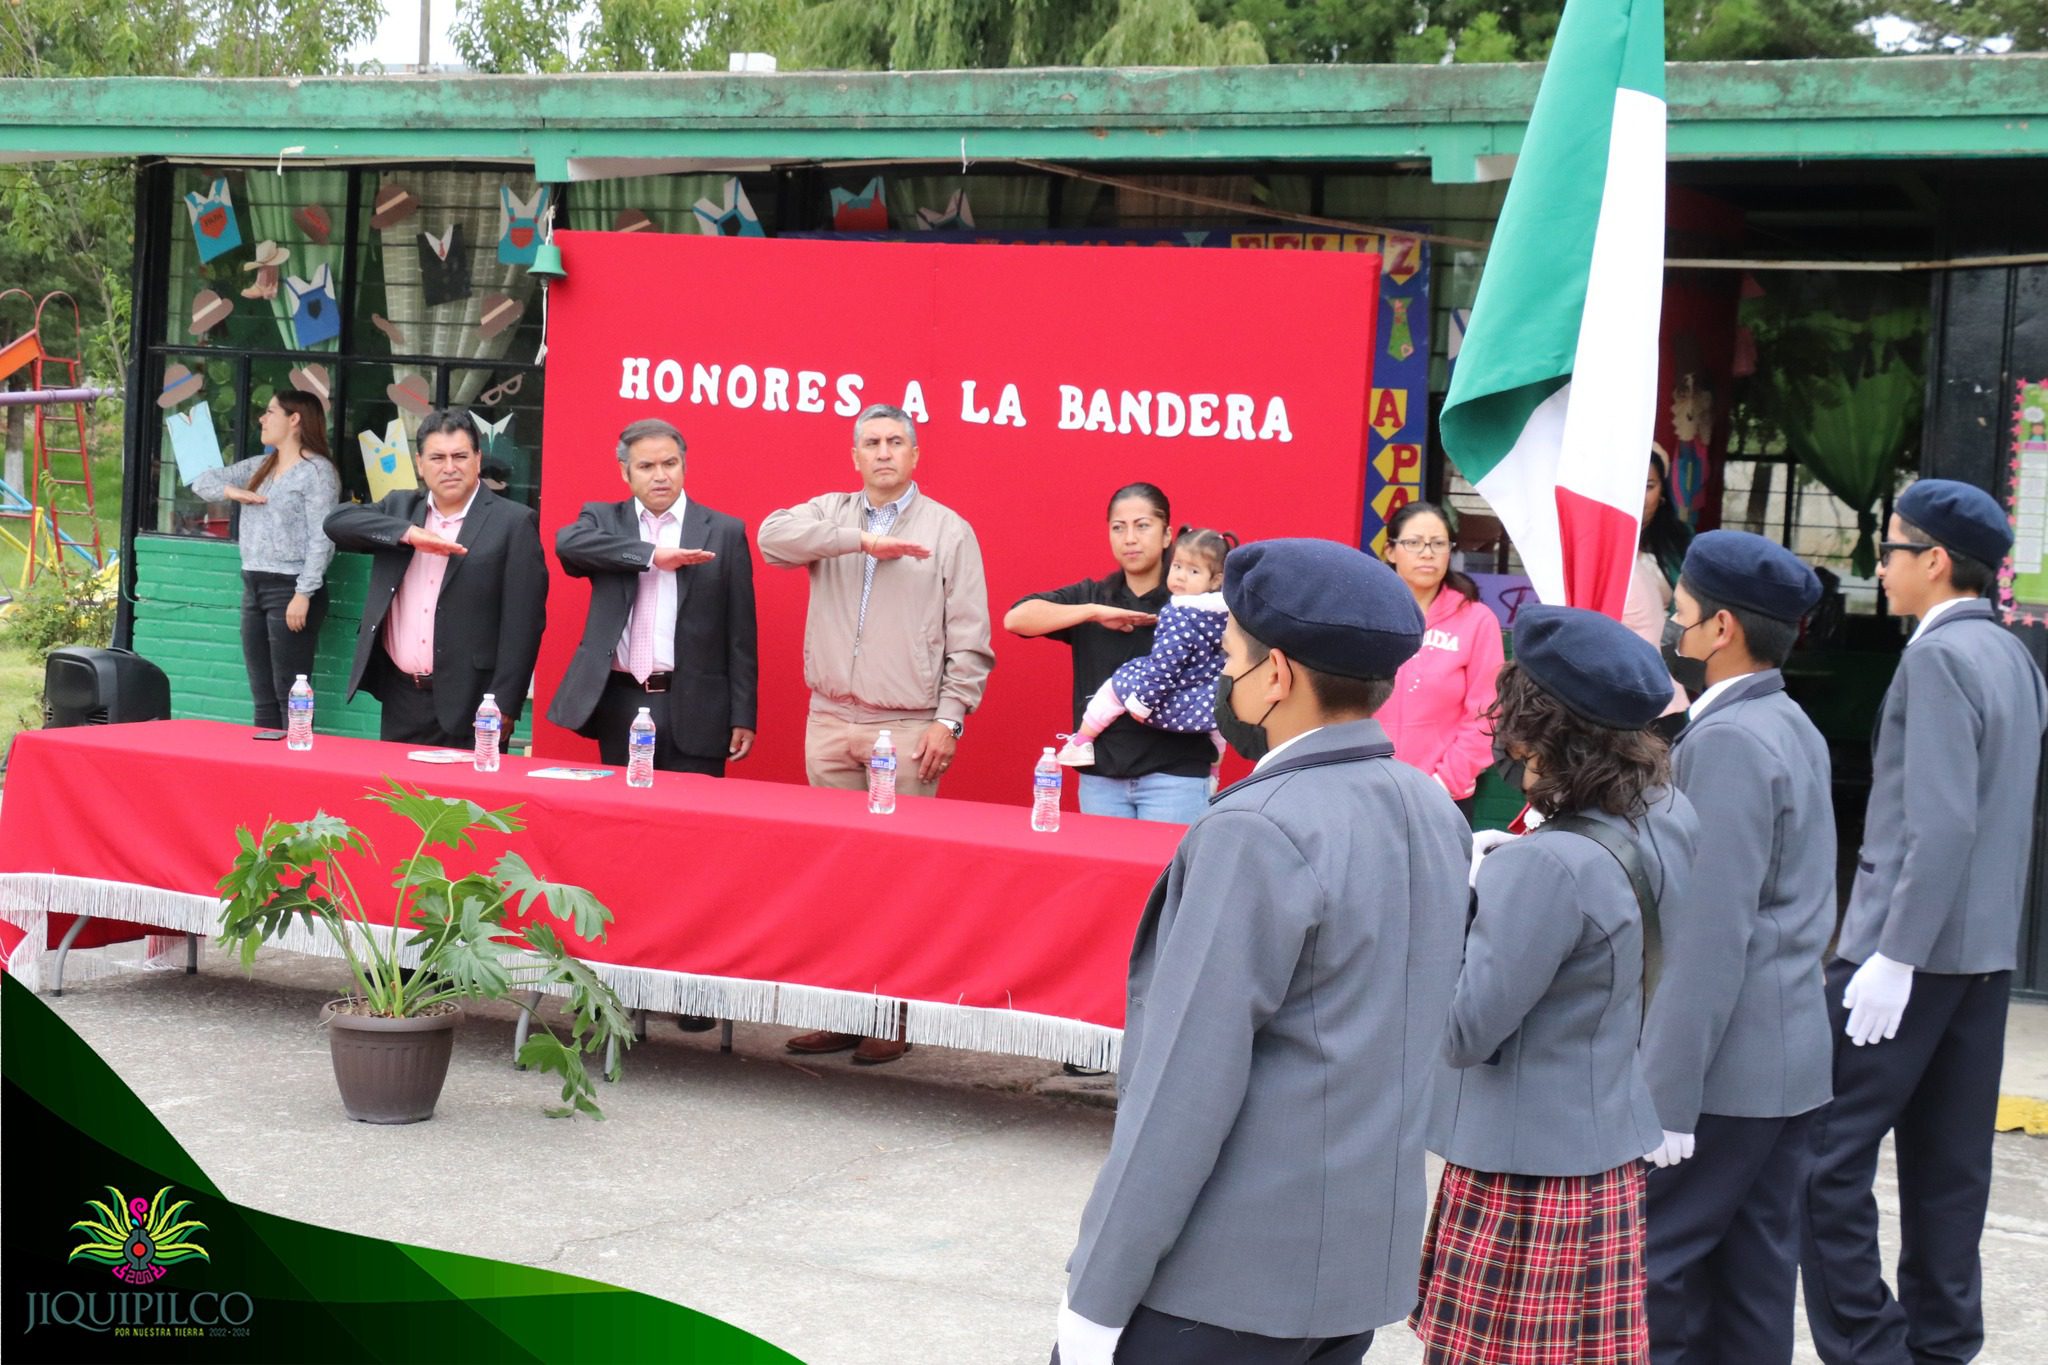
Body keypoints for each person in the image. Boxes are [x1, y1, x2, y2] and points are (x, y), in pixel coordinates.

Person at [1055, 538, 1469, 1365]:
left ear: (1275, 676)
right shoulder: (1430, 806)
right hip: (1351, 1271)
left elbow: (1184, 1086)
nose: (1223, 680)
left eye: (1232, 659)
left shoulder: (1257, 827)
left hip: (1221, 1280)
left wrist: (1096, 1298)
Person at [1800, 478, 2047, 1365]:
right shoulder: (2015, 655)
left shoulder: (1939, 658)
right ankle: (1942, 1347)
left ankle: (1869, 1345)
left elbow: (1939, 825)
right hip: (1979, 960)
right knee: (1949, 1175)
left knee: (1821, 1160)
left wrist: (1893, 955)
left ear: (1935, 561)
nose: (1882, 565)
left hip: (1907, 957)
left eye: (1894, 547)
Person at [1415, 604, 1699, 1365]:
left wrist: (1469, 897)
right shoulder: (1669, 811)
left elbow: (1462, 1030)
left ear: (1542, 727)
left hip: (1521, 1174)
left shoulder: (1539, 866)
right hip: (1603, 1146)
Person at [1641, 530, 1834, 1365]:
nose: (1670, 633)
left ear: (1721, 629)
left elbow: (1707, 938)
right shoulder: (1788, 722)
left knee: (1660, 1275)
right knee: (1753, 1288)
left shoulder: (1726, 743)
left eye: (1678, 615)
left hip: (1721, 1075)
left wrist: (1667, 1097)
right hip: (1783, 1066)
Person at [758, 402, 993, 1066]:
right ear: (854, 456)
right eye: (871, 443)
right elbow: (772, 537)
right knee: (836, 877)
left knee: (900, 880)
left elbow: (971, 642)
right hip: (830, 720)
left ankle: (892, 1013)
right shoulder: (830, 514)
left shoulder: (951, 532)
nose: (884, 452)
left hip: (908, 726)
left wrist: (949, 719)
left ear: (915, 456)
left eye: (896, 442)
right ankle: (839, 1011)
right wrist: (856, 541)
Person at [323, 407, 549, 748]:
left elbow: (524, 624)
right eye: (437, 457)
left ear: (477, 459)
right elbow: (336, 522)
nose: (449, 467)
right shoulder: (399, 508)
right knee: (399, 799)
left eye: (460, 456)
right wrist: (409, 535)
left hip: (475, 702)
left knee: (468, 802)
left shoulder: (514, 523)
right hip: (401, 695)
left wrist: (505, 703)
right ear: (419, 463)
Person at [548, 418, 759, 777]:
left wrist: (743, 714)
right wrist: (651, 555)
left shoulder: (723, 531)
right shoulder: (603, 520)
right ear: (625, 472)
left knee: (692, 820)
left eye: (670, 464)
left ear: (684, 466)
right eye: (646, 466)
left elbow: (740, 635)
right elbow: (568, 544)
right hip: (620, 698)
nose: (660, 476)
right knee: (621, 819)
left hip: (695, 702)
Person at [1005, 485, 1215, 824]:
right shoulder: (1093, 595)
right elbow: (1016, 619)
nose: (1130, 538)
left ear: (1167, 536)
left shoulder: (1194, 600)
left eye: (1142, 525)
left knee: (1168, 876)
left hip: (1176, 777)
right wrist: (1092, 612)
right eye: (1119, 527)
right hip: (1100, 778)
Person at [191, 388, 341, 728]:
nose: (262, 417)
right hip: (253, 585)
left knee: (291, 694)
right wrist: (232, 491)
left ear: (295, 419)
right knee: (261, 696)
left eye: (270, 411)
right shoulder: (262, 465)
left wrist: (304, 593)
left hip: (291, 588)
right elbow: (202, 480)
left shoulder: (316, 472)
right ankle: (263, 770)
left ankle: (296, 768)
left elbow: (323, 536)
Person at [1053, 526, 1232, 770]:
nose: (1180, 576)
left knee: (1114, 686)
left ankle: (1082, 742)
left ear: (1216, 579)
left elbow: (1166, 664)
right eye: (1177, 566)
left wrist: (1142, 702)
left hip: (1172, 699)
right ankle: (1214, 771)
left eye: (1193, 571)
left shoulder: (1180, 614)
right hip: (1205, 699)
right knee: (1218, 725)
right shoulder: (1226, 612)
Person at [1372, 500, 1504, 818]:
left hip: (1444, 796)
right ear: (1391, 551)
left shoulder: (1476, 619)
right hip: (1369, 791)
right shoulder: (1368, 614)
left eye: (1438, 543)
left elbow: (1488, 713)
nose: (1427, 553)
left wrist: (1443, 783)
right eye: (1414, 543)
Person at [1624, 446, 1693, 725]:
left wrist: (1683, 673)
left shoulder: (1679, 540)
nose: (1639, 497)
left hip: (1669, 662)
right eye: (1630, 485)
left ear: (1662, 491)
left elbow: (1692, 610)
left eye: (1649, 486)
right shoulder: (1598, 537)